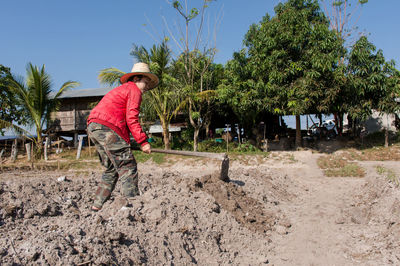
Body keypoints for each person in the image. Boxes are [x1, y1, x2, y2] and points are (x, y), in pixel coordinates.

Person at [87, 62, 159, 211]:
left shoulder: (122, 89)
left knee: (112, 168)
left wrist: (129, 141)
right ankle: (132, 206)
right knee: (128, 166)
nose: (146, 87)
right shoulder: (134, 91)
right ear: (137, 79)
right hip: (107, 127)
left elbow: (121, 122)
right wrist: (143, 141)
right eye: (145, 82)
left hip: (94, 126)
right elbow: (131, 119)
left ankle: (97, 205)